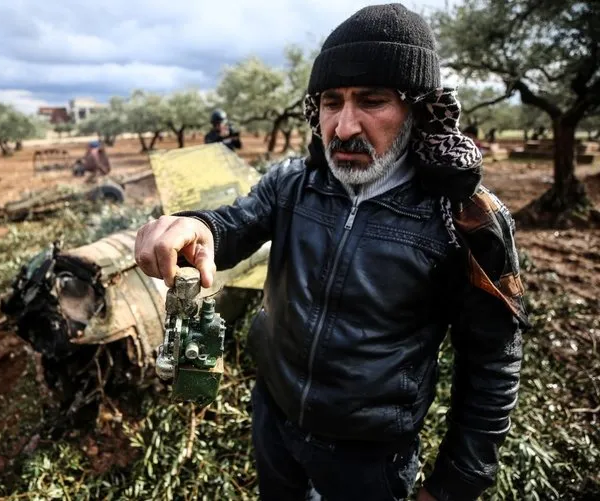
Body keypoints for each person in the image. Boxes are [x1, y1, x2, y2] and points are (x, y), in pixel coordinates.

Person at [134, 4, 527, 501]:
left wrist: (456, 484)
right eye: (330, 102)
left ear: (419, 110)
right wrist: (194, 224)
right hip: (273, 417)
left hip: (368, 457)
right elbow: (234, 224)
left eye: (372, 100)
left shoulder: (463, 220)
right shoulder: (293, 183)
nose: (343, 128)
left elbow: (492, 363)